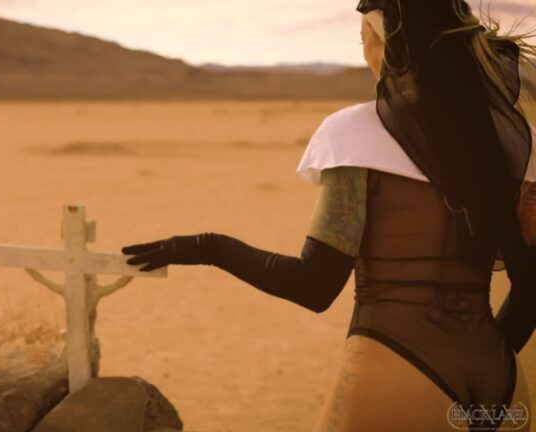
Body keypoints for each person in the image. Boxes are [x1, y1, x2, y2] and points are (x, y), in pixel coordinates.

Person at [121, 0, 536, 430]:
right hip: (500, 383)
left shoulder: (356, 133)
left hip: (398, 367)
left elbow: (313, 285)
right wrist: (483, 354)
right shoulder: (517, 140)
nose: (365, 53)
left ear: (390, 46)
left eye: (364, 40)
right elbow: (531, 286)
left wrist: (208, 247)